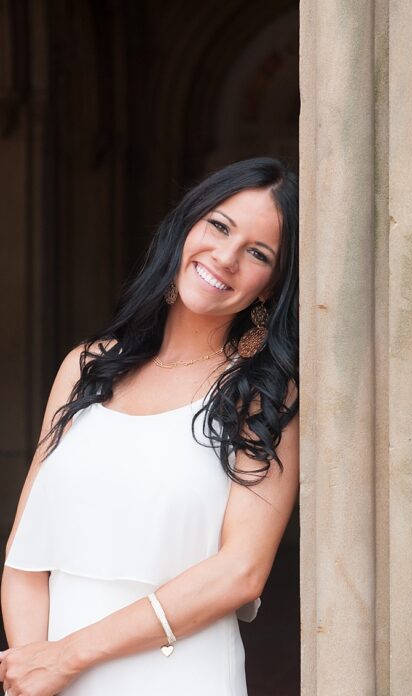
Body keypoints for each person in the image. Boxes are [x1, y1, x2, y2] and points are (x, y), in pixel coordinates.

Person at [0, 157, 299, 696]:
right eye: (219, 225)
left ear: (271, 287)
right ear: (187, 226)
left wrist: (66, 657)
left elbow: (241, 572)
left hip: (180, 675)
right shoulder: (86, 367)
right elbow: (24, 556)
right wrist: (33, 670)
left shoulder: (262, 394)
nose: (225, 258)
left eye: (257, 253)